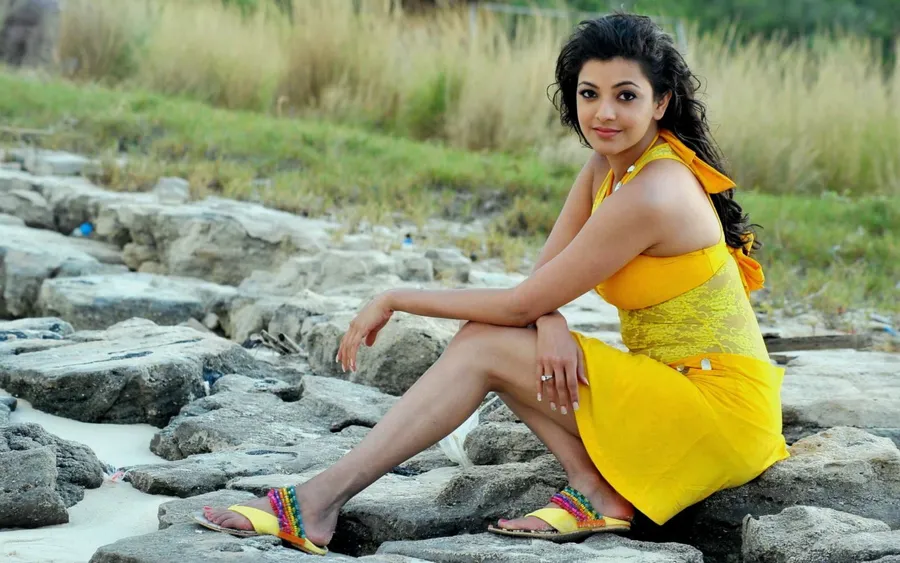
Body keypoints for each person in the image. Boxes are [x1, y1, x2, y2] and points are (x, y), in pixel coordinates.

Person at [196, 13, 789, 555]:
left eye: (625, 96)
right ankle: (596, 490)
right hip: (673, 388)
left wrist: (396, 297)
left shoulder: (655, 191)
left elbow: (520, 303)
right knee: (506, 341)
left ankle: (317, 502)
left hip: (718, 412)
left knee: (485, 345)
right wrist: (551, 321)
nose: (604, 113)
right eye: (589, 94)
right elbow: (540, 288)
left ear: (661, 102)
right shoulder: (606, 169)